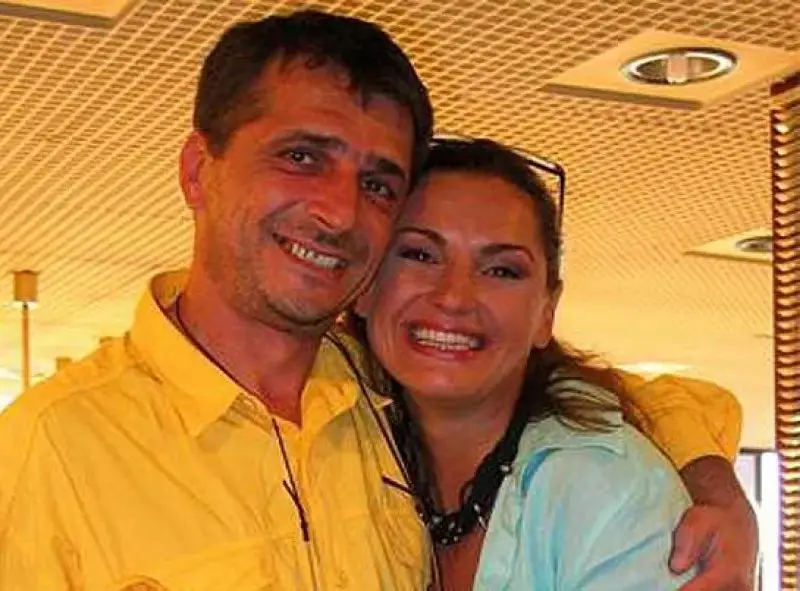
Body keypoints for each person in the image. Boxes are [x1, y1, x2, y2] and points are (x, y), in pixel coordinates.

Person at [0, 9, 755, 591]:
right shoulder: (48, 450)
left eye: (378, 184)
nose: (339, 212)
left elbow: (634, 402)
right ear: (199, 170)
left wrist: (711, 483)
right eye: (302, 156)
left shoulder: (373, 395)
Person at [348, 137, 741, 589]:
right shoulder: (337, 448)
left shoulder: (603, 491)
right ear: (366, 284)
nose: (454, 296)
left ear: (546, 314)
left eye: (501, 270)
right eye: (420, 254)